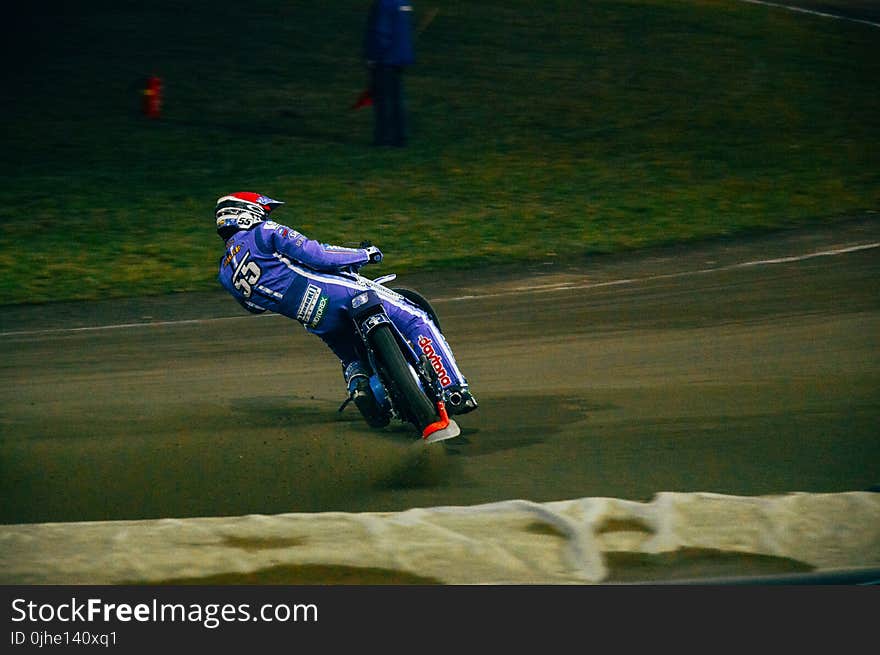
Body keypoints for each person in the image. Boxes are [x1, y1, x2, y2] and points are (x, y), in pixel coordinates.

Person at [215, 191, 478, 425]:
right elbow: (317, 254)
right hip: (335, 293)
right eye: (262, 211)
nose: (264, 215)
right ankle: (454, 389)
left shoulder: (225, 272)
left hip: (312, 317)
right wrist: (365, 254)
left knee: (349, 356)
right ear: (246, 213)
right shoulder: (264, 232)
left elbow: (253, 307)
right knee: (415, 319)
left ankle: (360, 386)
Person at [363, 0, 414, 146]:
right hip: (400, 57)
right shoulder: (403, 3)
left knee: (382, 101)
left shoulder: (383, 4)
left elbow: (380, 33)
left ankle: (383, 138)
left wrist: (372, 57)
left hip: (385, 59)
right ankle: (400, 137)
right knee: (398, 99)